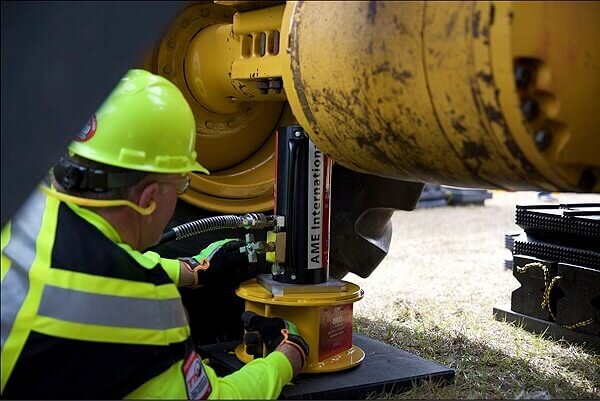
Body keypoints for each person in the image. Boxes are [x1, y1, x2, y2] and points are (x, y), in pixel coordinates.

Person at [0, 69, 308, 399]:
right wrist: (286, 358)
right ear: (149, 199)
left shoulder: (18, 206)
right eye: (182, 184)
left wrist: (187, 271)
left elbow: (69, 274)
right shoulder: (147, 309)